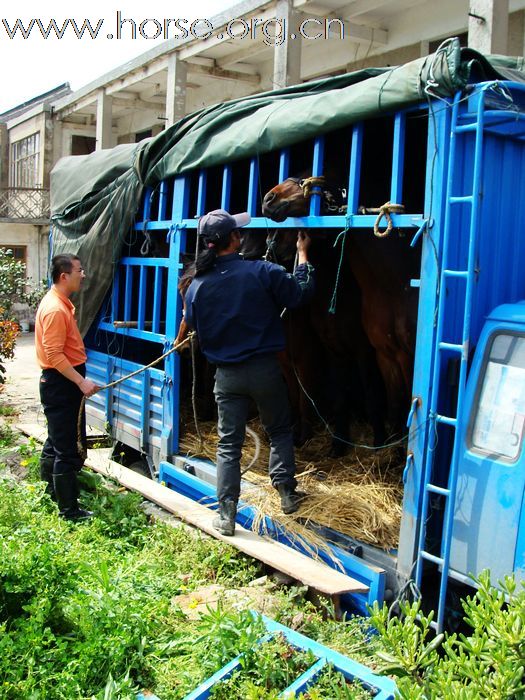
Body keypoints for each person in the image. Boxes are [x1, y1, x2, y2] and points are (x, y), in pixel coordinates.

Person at [184, 209, 315, 536]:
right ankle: (286, 495)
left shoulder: (196, 286)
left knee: (229, 444)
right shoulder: (263, 271)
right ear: (235, 238)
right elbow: (300, 293)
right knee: (280, 430)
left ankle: (226, 515)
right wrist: (302, 254)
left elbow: (196, 327)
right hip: (264, 370)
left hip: (226, 376)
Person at [35, 254, 100, 520]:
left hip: (61, 382)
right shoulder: (55, 309)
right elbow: (54, 355)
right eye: (79, 270)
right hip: (61, 383)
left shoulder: (61, 304)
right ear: (65, 276)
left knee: (55, 441)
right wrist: (81, 381)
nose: (83, 275)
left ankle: (51, 493)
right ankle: (69, 511)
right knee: (66, 448)